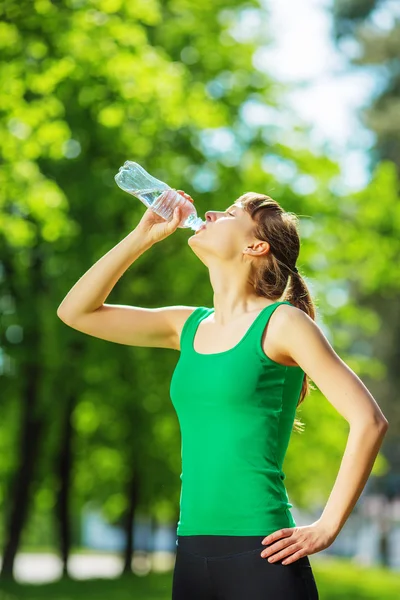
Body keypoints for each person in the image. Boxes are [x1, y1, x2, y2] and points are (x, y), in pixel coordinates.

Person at [57, 190, 389, 600]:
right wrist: (142, 236)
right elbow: (75, 312)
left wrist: (327, 525)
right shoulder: (188, 325)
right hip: (192, 554)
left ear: (256, 245)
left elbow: (369, 420)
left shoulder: (283, 323)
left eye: (230, 213)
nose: (210, 212)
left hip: (263, 554)